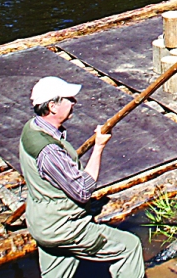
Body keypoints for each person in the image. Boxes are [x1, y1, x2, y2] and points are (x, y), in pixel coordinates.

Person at [19, 77, 144, 278]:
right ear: (52, 106)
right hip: (64, 227)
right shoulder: (49, 151)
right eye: (69, 99)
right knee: (129, 248)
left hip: (42, 223)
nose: (74, 103)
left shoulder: (32, 127)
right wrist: (99, 147)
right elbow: (83, 190)